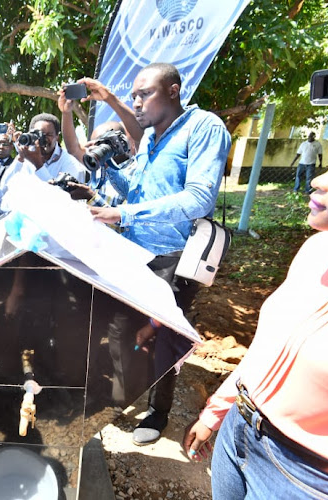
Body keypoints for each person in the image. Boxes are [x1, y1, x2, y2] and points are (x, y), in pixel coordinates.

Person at [182, 114, 328, 500]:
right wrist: (216, 413)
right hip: (239, 433)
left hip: (308, 479)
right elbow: (268, 351)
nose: (317, 180)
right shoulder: (321, 248)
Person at [87, 63, 231, 446]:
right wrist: (106, 176)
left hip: (176, 255)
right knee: (119, 329)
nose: (136, 102)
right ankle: (121, 393)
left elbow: (199, 198)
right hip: (134, 253)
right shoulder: (151, 137)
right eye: (133, 95)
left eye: (143, 94)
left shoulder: (205, 128)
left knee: (160, 338)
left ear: (173, 91)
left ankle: (158, 411)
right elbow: (136, 188)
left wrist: (123, 213)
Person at [0, 112, 87, 195]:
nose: (42, 139)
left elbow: (64, 198)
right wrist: (20, 158)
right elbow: (4, 188)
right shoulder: (26, 158)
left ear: (57, 137)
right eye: (37, 134)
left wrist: (38, 165)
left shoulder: (70, 162)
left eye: (48, 135)